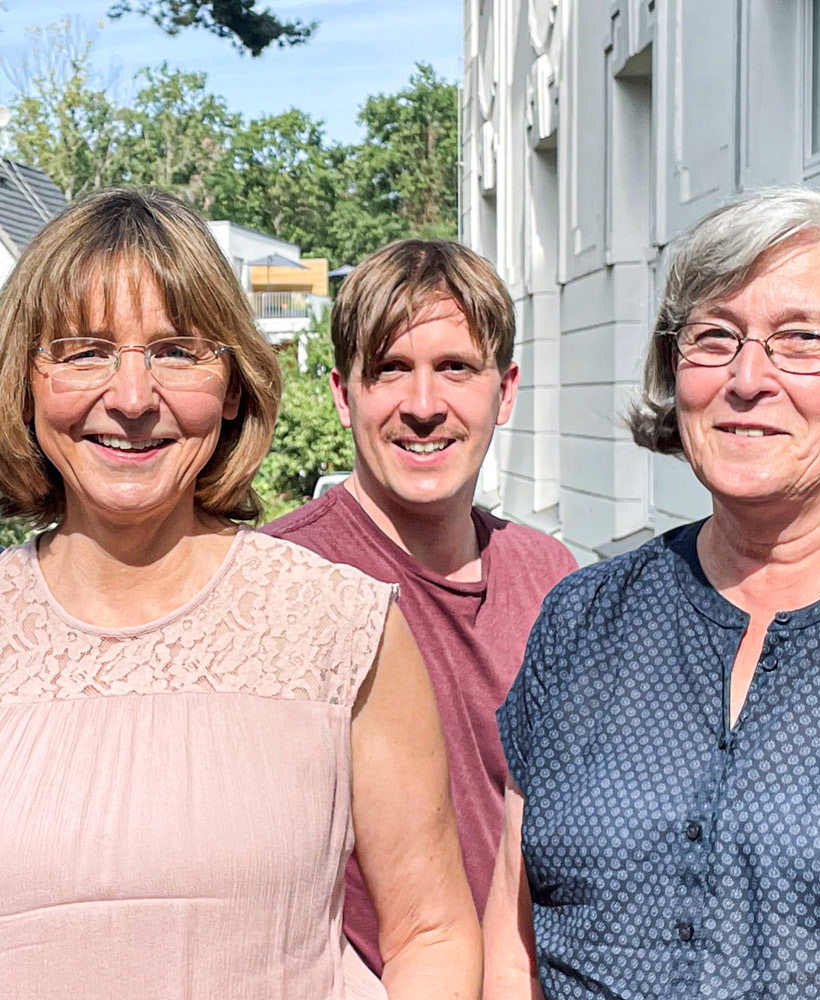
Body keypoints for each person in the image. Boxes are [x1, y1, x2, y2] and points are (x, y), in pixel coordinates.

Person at [0, 188, 481, 1000]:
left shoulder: (343, 628)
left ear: (235, 386)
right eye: (84, 351)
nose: (134, 398)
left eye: (178, 351)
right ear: (23, 383)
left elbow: (433, 933)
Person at [484, 187, 820, 998]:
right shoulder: (586, 620)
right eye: (714, 338)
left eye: (801, 342)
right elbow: (512, 947)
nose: (747, 379)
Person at [265, 239, 576, 973]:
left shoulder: (553, 579)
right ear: (344, 396)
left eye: (455, 369)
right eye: (392, 370)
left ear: (505, 391)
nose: (424, 406)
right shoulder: (282, 581)